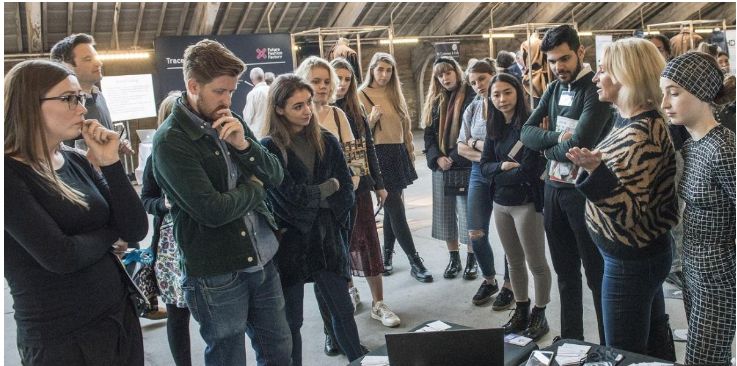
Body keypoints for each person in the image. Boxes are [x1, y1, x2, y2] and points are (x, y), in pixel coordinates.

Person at [152, 39, 291, 366]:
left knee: (279, 352)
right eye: (220, 91)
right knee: (228, 356)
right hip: (216, 272)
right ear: (193, 86)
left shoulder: (232, 120)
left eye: (231, 91)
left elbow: (275, 174)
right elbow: (212, 211)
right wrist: (255, 188)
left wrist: (243, 145)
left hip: (263, 257)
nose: (227, 100)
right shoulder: (171, 140)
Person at [5, 59, 148, 365]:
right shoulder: (9, 173)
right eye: (69, 99)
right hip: (63, 337)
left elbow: (135, 230)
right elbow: (61, 256)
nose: (82, 109)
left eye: (80, 98)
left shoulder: (75, 160)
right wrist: (111, 234)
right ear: (29, 104)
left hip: (117, 318)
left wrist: (110, 164)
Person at [567, 38, 677, 358]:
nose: (595, 77)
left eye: (602, 71)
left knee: (624, 351)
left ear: (625, 76)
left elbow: (631, 213)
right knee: (654, 336)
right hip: (640, 255)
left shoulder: (641, 134)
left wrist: (597, 171)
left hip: (631, 261)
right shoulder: (632, 119)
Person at [260, 74, 366, 364]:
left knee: (343, 310)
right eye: (298, 106)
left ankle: (358, 358)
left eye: (308, 103)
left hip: (328, 240)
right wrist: (324, 191)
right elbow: (284, 201)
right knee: (292, 323)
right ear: (279, 109)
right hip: (290, 246)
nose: (307, 110)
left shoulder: (327, 140)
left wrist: (322, 202)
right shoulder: (270, 147)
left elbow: (345, 191)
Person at [520, 24, 612, 344]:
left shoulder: (594, 91)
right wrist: (556, 141)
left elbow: (583, 141)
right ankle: (572, 341)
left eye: (564, 58)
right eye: (552, 61)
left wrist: (546, 146)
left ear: (581, 53)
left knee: (597, 276)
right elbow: (526, 133)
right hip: (554, 192)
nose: (559, 67)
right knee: (565, 275)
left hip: (584, 194)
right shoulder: (554, 88)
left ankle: (606, 344)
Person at [660, 51, 736, 366]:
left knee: (701, 360)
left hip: (719, 276)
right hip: (693, 271)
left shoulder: (724, 149)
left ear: (702, 94)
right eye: (663, 92)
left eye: (674, 93)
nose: (665, 103)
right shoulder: (692, 145)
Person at [479, 73, 550, 340]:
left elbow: (531, 170)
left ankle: (539, 314)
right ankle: (521, 309)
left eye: (507, 92)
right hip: (500, 204)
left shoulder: (529, 125)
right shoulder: (494, 126)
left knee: (536, 262)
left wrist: (497, 173)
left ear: (518, 93)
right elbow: (485, 165)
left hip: (526, 203)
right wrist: (501, 168)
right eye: (496, 94)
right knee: (513, 262)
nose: (501, 99)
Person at [358, 52, 433, 282]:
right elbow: (358, 136)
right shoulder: (361, 95)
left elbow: (406, 129)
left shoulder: (395, 93)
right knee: (396, 210)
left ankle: (386, 257)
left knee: (393, 209)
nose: (384, 74)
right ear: (371, 69)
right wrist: (370, 120)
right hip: (378, 155)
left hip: (398, 153)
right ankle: (415, 261)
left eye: (388, 70)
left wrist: (410, 154)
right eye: (380, 69)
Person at [457, 59, 516, 310]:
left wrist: (475, 143)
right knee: (475, 232)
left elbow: (510, 151)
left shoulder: (504, 107)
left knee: (509, 235)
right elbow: (460, 147)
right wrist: (484, 153)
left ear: (493, 75)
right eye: (473, 82)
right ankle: (489, 278)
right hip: (479, 173)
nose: (478, 85)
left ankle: (510, 285)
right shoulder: (471, 109)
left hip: (504, 176)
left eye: (481, 79)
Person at [140, 91, 192, 366]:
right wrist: (165, 203)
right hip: (170, 247)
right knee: (177, 312)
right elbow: (146, 198)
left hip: (203, 241)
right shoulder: (156, 158)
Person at [421, 57, 477, 280]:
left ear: (457, 71)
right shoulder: (435, 100)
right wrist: (437, 158)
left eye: (448, 72)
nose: (445, 78)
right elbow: (428, 134)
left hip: (463, 163)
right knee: (444, 214)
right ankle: (454, 258)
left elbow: (472, 132)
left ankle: (473, 259)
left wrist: (452, 157)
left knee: (468, 214)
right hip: (441, 166)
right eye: (440, 75)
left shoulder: (470, 96)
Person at [50, 33, 135, 156]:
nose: (99, 63)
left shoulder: (98, 95)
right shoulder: (60, 105)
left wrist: (117, 144)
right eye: (88, 59)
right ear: (66, 65)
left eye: (96, 57)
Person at [242, 67, 269, 139]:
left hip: (258, 136)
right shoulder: (272, 91)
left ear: (252, 80)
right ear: (263, 77)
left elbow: (247, 117)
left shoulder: (253, 94)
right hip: (273, 134)